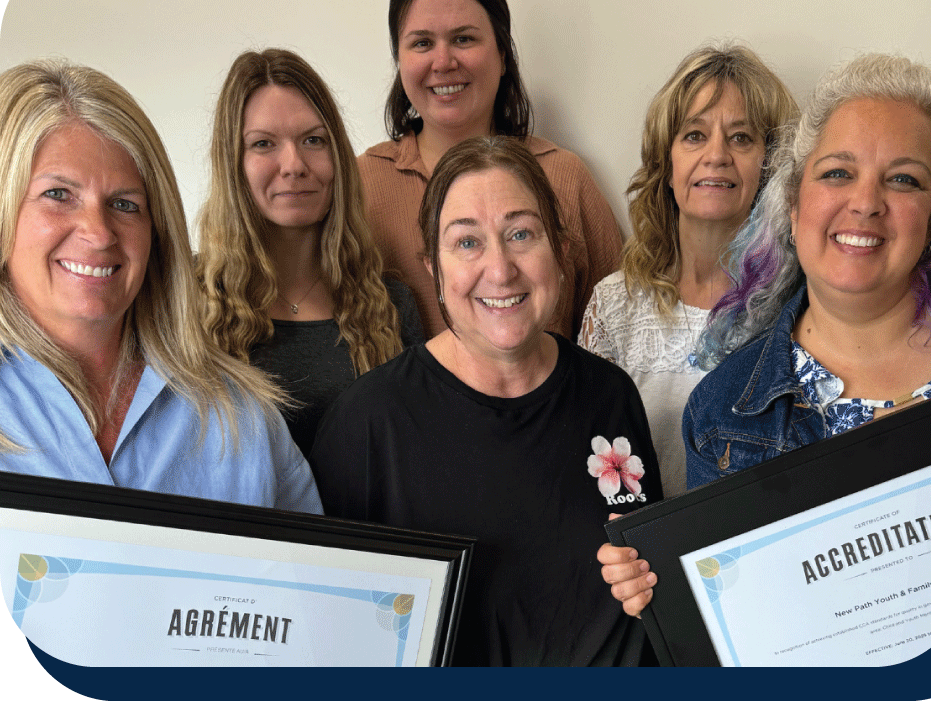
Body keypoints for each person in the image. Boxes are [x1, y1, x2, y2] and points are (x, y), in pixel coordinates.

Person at [598, 53, 931, 616]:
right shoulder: (720, 409)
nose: (866, 202)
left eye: (902, 179)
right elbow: (733, 617)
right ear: (793, 204)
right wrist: (666, 584)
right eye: (838, 172)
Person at [311, 136, 662, 665]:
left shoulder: (609, 396)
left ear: (560, 250)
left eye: (521, 234)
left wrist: (648, 582)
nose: (500, 270)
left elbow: (646, 579)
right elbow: (334, 635)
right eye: (467, 242)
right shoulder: (367, 424)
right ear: (433, 266)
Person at [0, 60, 322, 514]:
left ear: (158, 233)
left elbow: (310, 583)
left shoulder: (241, 417)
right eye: (58, 195)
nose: (99, 232)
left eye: (125, 204)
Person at [360, 0, 622, 340]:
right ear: (398, 60)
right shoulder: (361, 186)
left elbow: (620, 332)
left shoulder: (564, 177)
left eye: (463, 38)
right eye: (421, 43)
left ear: (502, 52)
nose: (443, 61)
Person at [580, 44, 798, 498]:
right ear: (666, 160)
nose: (716, 155)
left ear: (771, 163)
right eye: (694, 135)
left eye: (741, 138)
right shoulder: (613, 306)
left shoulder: (798, 304)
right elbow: (585, 460)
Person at [196, 49, 423, 455]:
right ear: (233, 163)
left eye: (313, 140)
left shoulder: (390, 307)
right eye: (263, 143)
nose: (294, 164)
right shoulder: (187, 301)